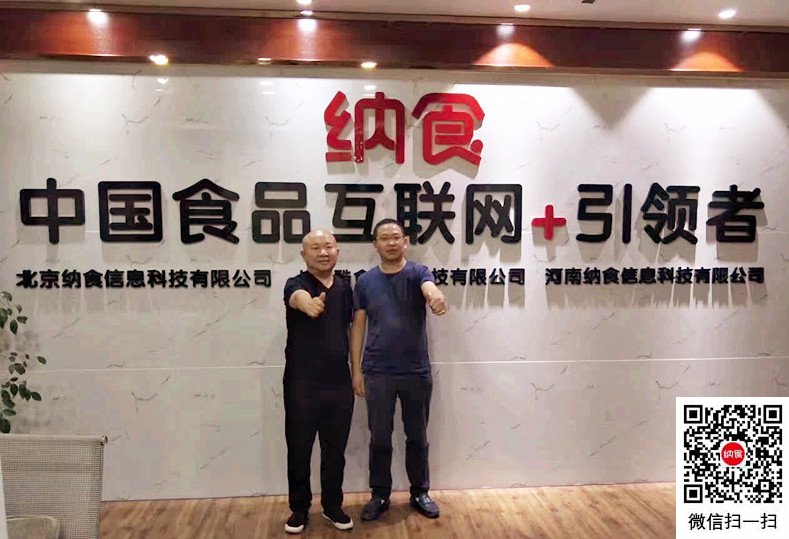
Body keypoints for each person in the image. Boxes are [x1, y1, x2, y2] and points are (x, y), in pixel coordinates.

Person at [350, 218, 448, 521]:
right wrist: (356, 371)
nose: (391, 243)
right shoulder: (365, 282)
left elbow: (430, 289)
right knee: (379, 437)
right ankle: (380, 494)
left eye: (396, 237)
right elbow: (358, 327)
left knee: (417, 436)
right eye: (384, 238)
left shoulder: (419, 272)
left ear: (405, 242)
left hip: (415, 371)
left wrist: (436, 297)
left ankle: (420, 492)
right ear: (375, 245)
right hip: (377, 371)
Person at [282, 229, 354, 534]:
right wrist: (307, 304)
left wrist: (357, 372)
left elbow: (352, 329)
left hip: (339, 382)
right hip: (301, 383)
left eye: (328, 246)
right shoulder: (295, 284)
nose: (323, 253)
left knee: (334, 450)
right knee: (299, 448)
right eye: (315, 248)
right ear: (303, 255)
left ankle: (332, 506)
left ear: (337, 251)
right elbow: (296, 298)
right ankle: (299, 509)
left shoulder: (346, 288)